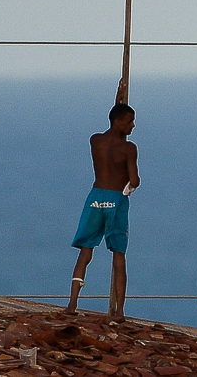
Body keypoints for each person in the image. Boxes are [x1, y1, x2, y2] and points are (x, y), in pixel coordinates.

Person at [66, 81, 140, 319]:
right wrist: (131, 186)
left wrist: (118, 100)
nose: (133, 125)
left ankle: (72, 303)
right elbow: (135, 179)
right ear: (120, 122)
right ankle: (120, 311)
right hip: (116, 199)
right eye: (130, 121)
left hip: (95, 197)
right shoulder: (129, 149)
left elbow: (112, 121)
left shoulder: (95, 141)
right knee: (118, 254)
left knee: (85, 252)